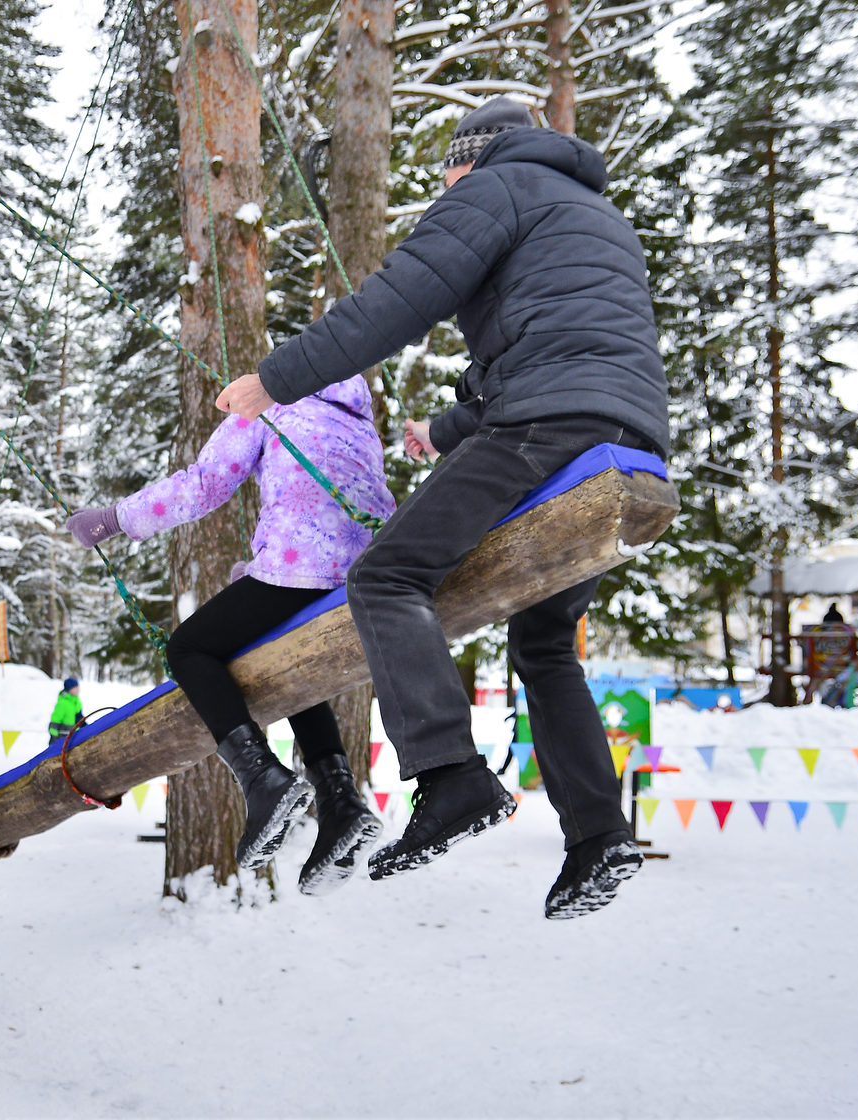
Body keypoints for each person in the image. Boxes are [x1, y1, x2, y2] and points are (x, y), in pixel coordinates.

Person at [215, 97, 668, 918]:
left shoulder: (494, 188)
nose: (444, 186)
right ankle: (599, 837)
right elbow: (564, 343)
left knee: (387, 575)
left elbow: (394, 303)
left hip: (547, 431)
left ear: (471, 157)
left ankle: (451, 778)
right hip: (625, 437)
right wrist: (447, 429)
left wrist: (272, 381)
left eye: (446, 172)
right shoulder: (593, 210)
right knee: (544, 643)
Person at [66, 372, 395, 894]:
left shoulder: (271, 394)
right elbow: (331, 498)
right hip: (368, 571)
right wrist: (263, 567)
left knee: (189, 647)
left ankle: (263, 779)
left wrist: (114, 519)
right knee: (278, 659)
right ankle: (339, 800)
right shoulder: (355, 416)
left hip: (304, 567)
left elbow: (205, 484)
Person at [48, 678, 84, 742]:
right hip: (62, 737)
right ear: (69, 689)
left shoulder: (77, 702)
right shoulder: (62, 703)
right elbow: (55, 720)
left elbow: (79, 718)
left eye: (78, 687)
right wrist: (54, 739)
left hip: (74, 736)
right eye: (75, 688)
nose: (78, 690)